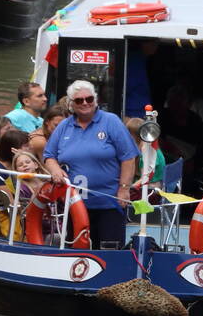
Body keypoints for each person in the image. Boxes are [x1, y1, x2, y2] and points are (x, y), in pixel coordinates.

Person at [44, 80, 139, 249]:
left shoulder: (111, 121)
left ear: (96, 100)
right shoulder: (64, 126)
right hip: (75, 205)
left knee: (109, 251)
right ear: (72, 104)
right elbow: (49, 156)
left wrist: (124, 188)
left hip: (109, 203)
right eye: (79, 100)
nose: (85, 103)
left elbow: (128, 157)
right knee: (76, 251)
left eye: (89, 98)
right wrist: (55, 169)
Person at [123, 117, 166, 194]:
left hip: (151, 191)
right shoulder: (148, 146)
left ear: (134, 136)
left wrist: (127, 189)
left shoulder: (147, 153)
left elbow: (145, 179)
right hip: (150, 186)